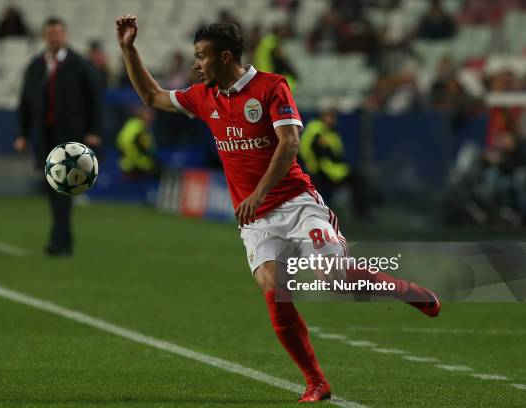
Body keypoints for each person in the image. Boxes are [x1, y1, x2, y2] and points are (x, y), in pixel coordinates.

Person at [116, 16, 441, 402]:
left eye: (201, 57)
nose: (195, 65)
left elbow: (289, 144)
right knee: (274, 288)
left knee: (333, 277)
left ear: (225, 57)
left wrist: (258, 192)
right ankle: (316, 382)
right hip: (257, 221)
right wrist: (128, 49)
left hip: (297, 204)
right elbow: (152, 97)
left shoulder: (272, 86)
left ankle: (405, 291)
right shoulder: (204, 97)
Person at [15, 17, 101, 257]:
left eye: (58, 33)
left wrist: (93, 131)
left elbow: (94, 100)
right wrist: (22, 132)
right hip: (45, 136)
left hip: (71, 137)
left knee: (63, 188)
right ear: (45, 37)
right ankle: (65, 240)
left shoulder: (79, 65)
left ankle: (58, 240)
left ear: (65, 36)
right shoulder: (36, 66)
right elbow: (26, 101)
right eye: (50, 33)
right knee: (52, 188)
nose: (54, 37)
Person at [299, 109, 370, 219]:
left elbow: (335, 154)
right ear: (323, 116)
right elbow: (314, 153)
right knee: (358, 179)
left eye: (334, 117)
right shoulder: (317, 130)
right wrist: (316, 168)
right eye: (330, 116)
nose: (333, 119)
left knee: (358, 178)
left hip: (329, 170)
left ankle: (360, 213)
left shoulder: (328, 131)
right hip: (320, 172)